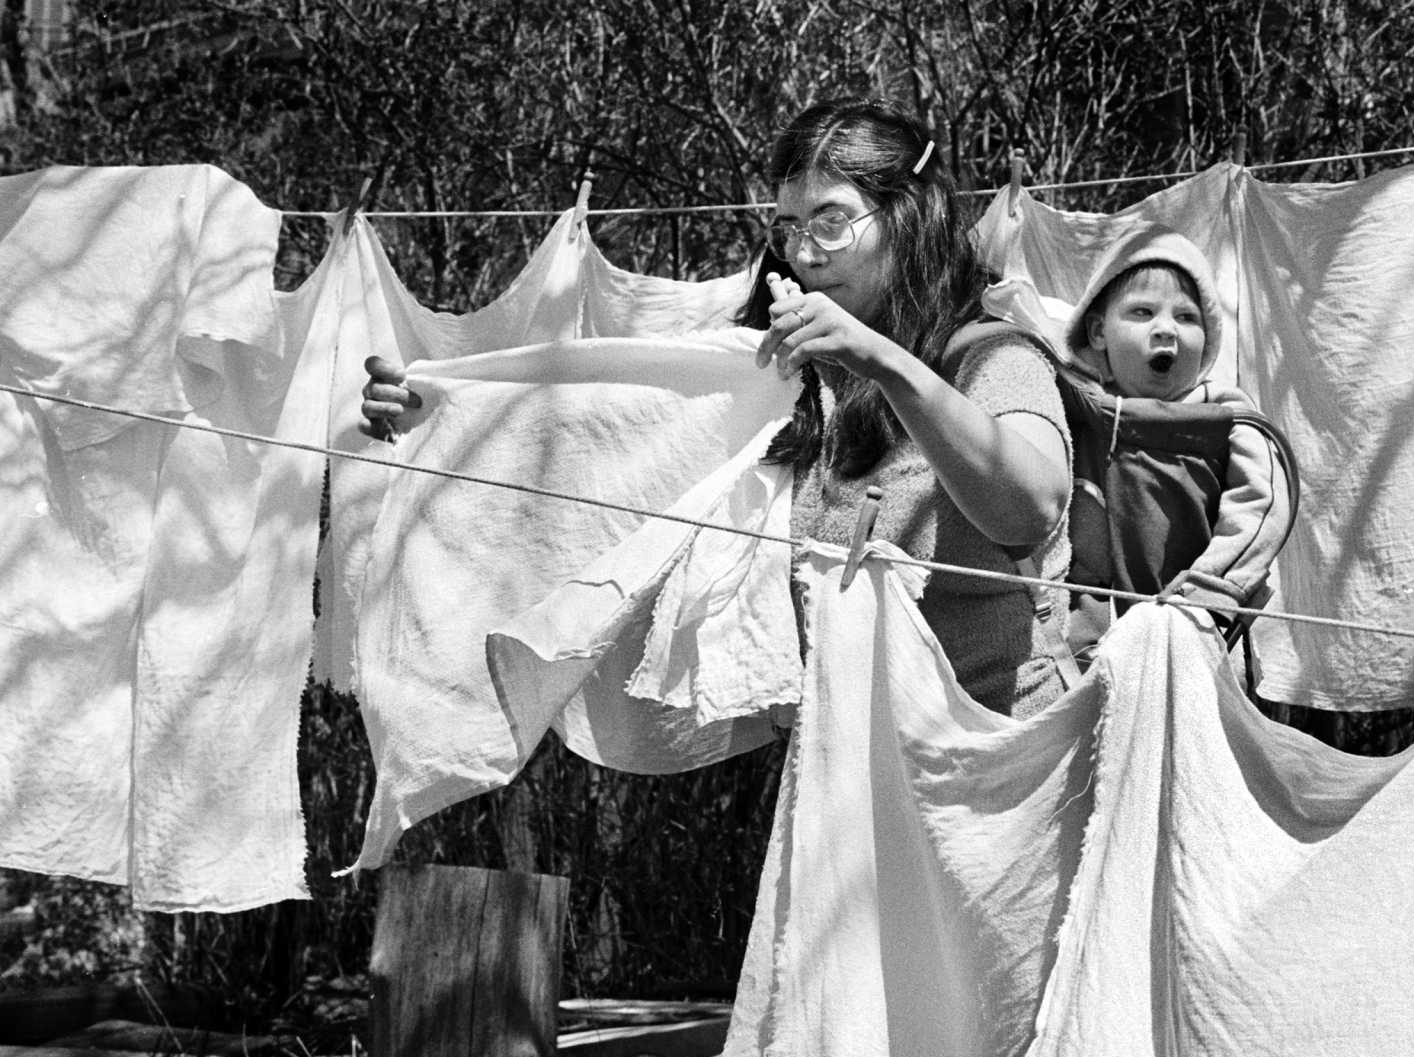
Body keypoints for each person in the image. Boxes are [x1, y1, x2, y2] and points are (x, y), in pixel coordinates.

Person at [363, 98, 1075, 719]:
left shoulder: (991, 355)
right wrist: (451, 413)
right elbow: (606, 438)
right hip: (840, 767)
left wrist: (885, 363)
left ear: (911, 218)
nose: (804, 254)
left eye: (831, 221)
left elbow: (1029, 509)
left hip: (993, 752)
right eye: (788, 227)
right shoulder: (785, 375)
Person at [1047, 223, 1296, 657]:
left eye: (1187, 317)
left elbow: (1264, 503)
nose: (1166, 329)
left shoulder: (1225, 413)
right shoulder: (1072, 407)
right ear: (1098, 332)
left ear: (1207, 340)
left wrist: (1210, 599)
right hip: (1083, 651)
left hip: (1196, 635)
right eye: (1142, 313)